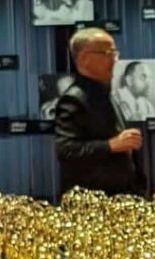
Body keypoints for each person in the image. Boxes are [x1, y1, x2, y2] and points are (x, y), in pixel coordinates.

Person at [54, 28, 146, 196]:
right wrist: (111, 145)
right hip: (92, 205)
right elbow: (66, 150)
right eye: (107, 54)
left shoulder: (105, 93)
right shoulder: (74, 99)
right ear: (83, 59)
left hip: (120, 198)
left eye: (115, 53)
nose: (114, 60)